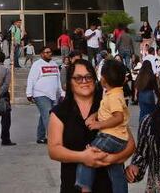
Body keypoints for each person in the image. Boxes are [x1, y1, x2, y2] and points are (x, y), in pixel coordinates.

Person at [49, 59, 136, 192]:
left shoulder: (107, 104)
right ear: (70, 82)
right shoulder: (60, 112)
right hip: (72, 185)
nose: (84, 81)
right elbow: (54, 150)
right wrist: (83, 157)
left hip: (107, 186)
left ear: (97, 79)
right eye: (78, 78)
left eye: (88, 77)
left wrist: (112, 159)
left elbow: (130, 144)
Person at [76, 59, 130, 193]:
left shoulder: (113, 96)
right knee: (116, 170)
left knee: (88, 157)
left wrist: (97, 124)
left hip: (110, 137)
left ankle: (84, 185)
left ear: (103, 79)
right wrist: (94, 115)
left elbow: (118, 117)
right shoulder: (115, 93)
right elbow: (106, 111)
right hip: (119, 138)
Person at [27, 45, 63, 144]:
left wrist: (61, 92)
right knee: (48, 114)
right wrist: (29, 93)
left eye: (50, 52)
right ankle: (53, 137)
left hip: (53, 95)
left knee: (44, 115)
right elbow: (31, 79)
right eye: (47, 52)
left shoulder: (54, 64)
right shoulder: (37, 64)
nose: (49, 54)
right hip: (40, 94)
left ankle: (41, 137)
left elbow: (58, 79)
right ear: (41, 54)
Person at [0, 51, 14, 146]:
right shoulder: (6, 70)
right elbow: (6, 85)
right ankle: (5, 139)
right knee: (5, 119)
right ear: (4, 59)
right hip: (3, 96)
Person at [133, 60, 157, 126]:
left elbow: (136, 85)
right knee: (151, 111)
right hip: (149, 94)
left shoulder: (140, 74)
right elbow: (155, 87)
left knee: (142, 111)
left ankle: (142, 125)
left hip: (141, 94)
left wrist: (135, 96)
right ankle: (149, 126)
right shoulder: (151, 74)